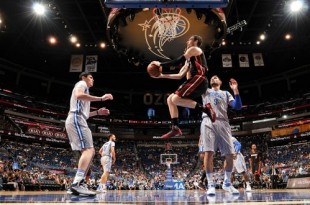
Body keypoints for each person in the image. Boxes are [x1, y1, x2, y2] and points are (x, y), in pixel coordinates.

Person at [150, 35, 216, 139]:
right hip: (194, 81)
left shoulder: (195, 49)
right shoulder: (189, 60)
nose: (187, 41)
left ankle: (205, 108)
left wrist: (160, 64)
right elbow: (179, 75)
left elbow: (178, 60)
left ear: (195, 41)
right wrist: (162, 76)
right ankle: (175, 127)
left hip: (200, 79)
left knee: (175, 99)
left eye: (189, 39)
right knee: (170, 100)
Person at [65, 71, 113, 196]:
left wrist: (97, 112)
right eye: (91, 77)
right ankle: (77, 183)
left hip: (78, 118)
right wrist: (101, 98)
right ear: (83, 77)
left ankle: (79, 184)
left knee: (88, 152)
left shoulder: (85, 90)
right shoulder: (81, 84)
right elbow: (78, 95)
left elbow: (85, 114)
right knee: (89, 151)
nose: (93, 80)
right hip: (76, 118)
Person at [200, 75, 242, 195]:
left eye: (216, 77)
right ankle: (211, 184)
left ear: (221, 81)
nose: (213, 78)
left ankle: (227, 183)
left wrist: (235, 89)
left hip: (223, 122)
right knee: (209, 153)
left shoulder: (226, 93)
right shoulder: (205, 90)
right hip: (208, 121)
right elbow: (191, 81)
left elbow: (237, 107)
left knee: (230, 154)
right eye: (212, 78)